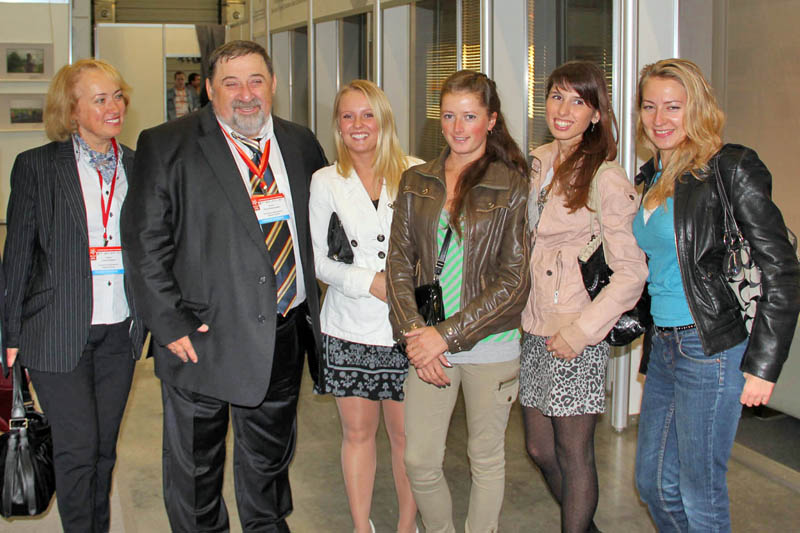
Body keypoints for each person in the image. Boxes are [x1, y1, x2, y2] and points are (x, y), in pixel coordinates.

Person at [121, 40, 327, 532]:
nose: (246, 94)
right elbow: (144, 242)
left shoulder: (301, 143)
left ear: (273, 85)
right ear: (210, 90)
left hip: (282, 332)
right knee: (196, 470)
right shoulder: (167, 144)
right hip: (200, 336)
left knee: (270, 463)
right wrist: (169, 323)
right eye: (231, 83)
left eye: (256, 81)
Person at [632, 58, 800, 532]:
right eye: (649, 106)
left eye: (673, 106)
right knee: (653, 483)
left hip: (712, 349)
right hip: (665, 344)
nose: (659, 119)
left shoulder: (730, 167)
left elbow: (782, 269)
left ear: (698, 108)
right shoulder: (653, 174)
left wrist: (763, 366)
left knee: (699, 492)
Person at [3, 58, 145, 532]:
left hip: (119, 330)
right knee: (78, 448)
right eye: (100, 99)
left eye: (117, 96)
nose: (114, 106)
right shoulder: (38, 167)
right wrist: (9, 333)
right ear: (71, 110)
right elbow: (17, 255)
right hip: (55, 329)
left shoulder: (138, 165)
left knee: (103, 450)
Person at [386, 70, 530, 533]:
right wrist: (416, 336)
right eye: (449, 116)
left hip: (491, 344)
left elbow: (514, 280)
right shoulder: (416, 180)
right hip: (426, 346)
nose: (458, 127)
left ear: (491, 120)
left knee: (485, 457)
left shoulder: (512, 184)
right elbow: (398, 264)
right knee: (419, 459)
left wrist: (443, 336)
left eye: (469, 116)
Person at [520, 60, 648, 533]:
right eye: (556, 96)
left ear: (596, 114)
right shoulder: (538, 162)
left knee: (574, 452)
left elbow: (631, 272)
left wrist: (582, 332)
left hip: (577, 331)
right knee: (539, 448)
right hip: (535, 325)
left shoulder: (606, 176)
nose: (563, 109)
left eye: (578, 101)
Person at [309, 80, 422, 533]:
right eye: (348, 116)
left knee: (407, 439)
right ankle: (361, 527)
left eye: (367, 114)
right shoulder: (325, 180)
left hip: (408, 331)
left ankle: (407, 525)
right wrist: (369, 282)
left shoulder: (416, 173)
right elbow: (318, 261)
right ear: (338, 125)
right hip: (349, 327)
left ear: (384, 120)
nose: (358, 125)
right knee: (357, 435)